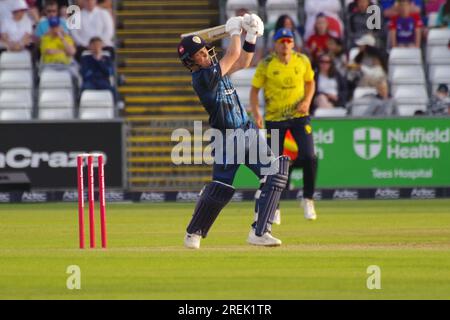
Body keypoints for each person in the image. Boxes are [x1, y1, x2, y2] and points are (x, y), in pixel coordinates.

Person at [177, 14, 289, 249]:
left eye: (205, 51)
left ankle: (260, 232)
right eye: (199, 54)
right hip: (227, 138)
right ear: (192, 62)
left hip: (247, 130)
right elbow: (233, 54)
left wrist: (251, 35)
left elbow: (243, 61)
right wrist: (235, 32)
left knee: (275, 171)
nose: (205, 55)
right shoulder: (202, 78)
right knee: (221, 189)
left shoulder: (217, 70)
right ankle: (193, 233)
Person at [250, 28, 319, 222]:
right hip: (275, 118)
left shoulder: (302, 60)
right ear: (275, 44)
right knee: (275, 164)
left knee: (309, 157)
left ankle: (308, 199)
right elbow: (254, 91)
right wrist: (256, 113)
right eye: (281, 41)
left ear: (293, 44)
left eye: (288, 41)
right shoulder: (266, 64)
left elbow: (310, 82)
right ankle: (275, 206)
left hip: (299, 116)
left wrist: (307, 101)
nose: (285, 44)